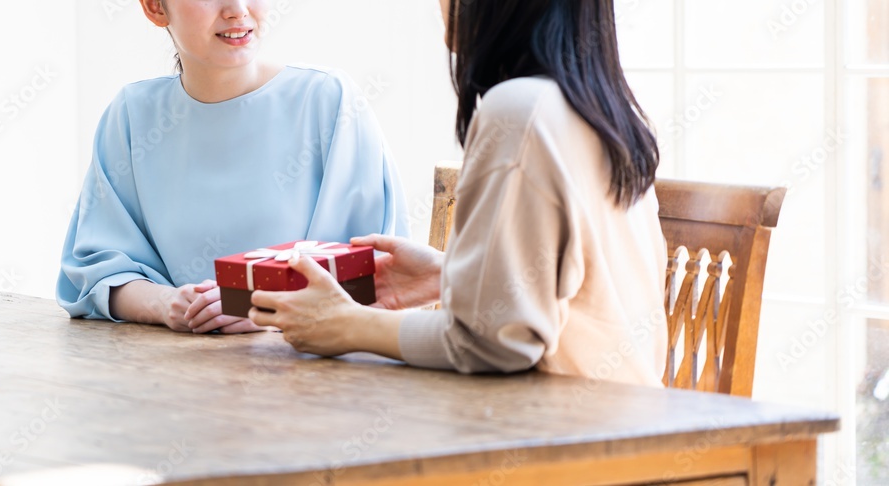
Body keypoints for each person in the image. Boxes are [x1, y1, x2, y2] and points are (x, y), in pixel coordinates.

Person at [248, 0, 668, 386]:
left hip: (568, 434)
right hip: (630, 424)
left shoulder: (521, 112)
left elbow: (496, 342)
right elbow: (579, 297)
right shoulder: (603, 111)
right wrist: (450, 276)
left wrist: (345, 324)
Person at [57, 0, 409, 335]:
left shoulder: (329, 101)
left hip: (312, 370)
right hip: (172, 367)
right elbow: (96, 274)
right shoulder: (132, 115)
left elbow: (373, 274)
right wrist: (168, 304)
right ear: (154, 7)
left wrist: (265, 310)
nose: (238, 10)